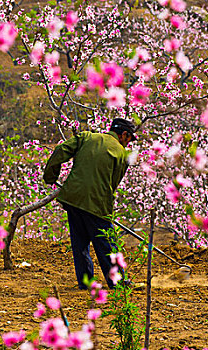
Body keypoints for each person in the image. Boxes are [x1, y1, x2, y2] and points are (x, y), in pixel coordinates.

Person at [43, 118, 136, 289]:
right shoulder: (122, 154)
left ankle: (86, 281)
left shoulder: (86, 137)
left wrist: (50, 176)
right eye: (129, 139)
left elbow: (60, 150)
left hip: (73, 198)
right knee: (107, 244)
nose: (128, 144)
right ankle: (118, 283)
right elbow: (113, 185)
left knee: (80, 243)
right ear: (124, 135)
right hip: (97, 204)